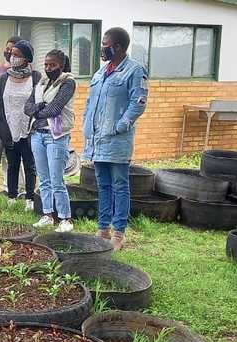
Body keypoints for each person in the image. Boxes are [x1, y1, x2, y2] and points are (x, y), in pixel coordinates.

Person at [83, 27, 149, 251]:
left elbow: (138, 103)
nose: (102, 48)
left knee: (120, 186)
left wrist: (121, 125)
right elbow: (90, 102)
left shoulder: (135, 70)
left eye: (105, 44)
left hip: (117, 140)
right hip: (97, 140)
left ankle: (118, 233)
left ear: (118, 47)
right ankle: (103, 229)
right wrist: (87, 125)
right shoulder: (101, 72)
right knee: (103, 185)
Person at [25, 49, 76, 233]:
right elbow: (27, 107)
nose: (48, 68)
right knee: (44, 178)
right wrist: (39, 108)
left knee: (56, 180)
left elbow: (55, 109)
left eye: (52, 65)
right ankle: (47, 214)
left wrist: (37, 111)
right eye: (46, 64)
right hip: (37, 134)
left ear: (61, 66)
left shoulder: (68, 82)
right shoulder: (41, 82)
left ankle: (65, 218)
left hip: (56, 136)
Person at [0, 40, 39, 210]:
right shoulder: (5, 78)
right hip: (9, 127)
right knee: (12, 164)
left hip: (29, 128)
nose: (12, 57)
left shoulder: (35, 77)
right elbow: (0, 104)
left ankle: (30, 198)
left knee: (29, 165)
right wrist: (2, 127)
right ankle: (12, 197)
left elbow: (39, 102)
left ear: (26, 58)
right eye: (11, 54)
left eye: (17, 55)